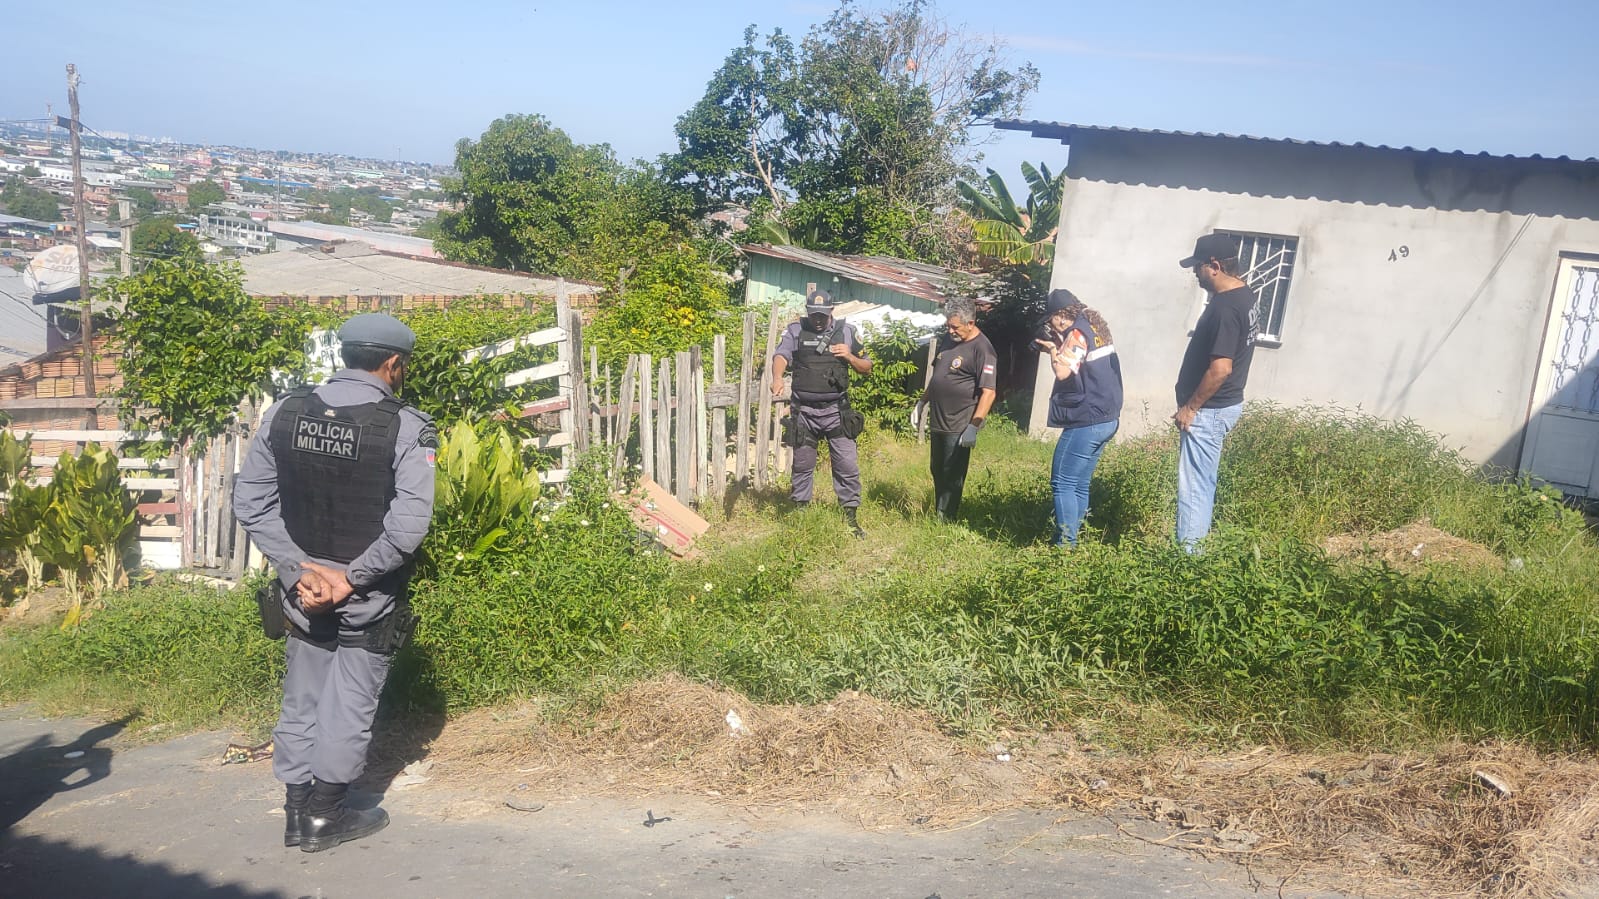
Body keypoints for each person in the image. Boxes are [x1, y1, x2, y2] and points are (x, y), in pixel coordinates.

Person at [234, 312, 437, 852]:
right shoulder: (408, 427)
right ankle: (327, 817)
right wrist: (350, 580)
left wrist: (298, 569)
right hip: (367, 592)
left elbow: (250, 501)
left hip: (301, 588)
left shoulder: (285, 411)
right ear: (393, 364)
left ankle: (296, 816)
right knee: (349, 700)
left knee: (302, 697)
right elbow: (408, 527)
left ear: (344, 355)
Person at [1173, 233, 1259, 551]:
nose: (1194, 273)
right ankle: (1198, 551)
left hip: (1208, 411)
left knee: (1193, 488)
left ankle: (1189, 563)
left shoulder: (1225, 309)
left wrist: (1191, 408)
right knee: (1203, 483)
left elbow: (1220, 369)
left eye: (1197, 267)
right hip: (1222, 406)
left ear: (1214, 266)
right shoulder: (1245, 296)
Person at [771, 290, 873, 538]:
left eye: (822, 315)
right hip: (804, 412)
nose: (817, 319)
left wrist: (848, 355)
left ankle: (850, 518)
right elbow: (781, 355)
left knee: (846, 465)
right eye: (813, 314)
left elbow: (867, 367)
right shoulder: (796, 330)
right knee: (802, 466)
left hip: (836, 412)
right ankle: (801, 515)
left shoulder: (847, 332)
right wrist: (777, 378)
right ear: (807, 312)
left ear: (831, 311)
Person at [1035, 288, 1123, 547]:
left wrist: (1053, 349)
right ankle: (1079, 538)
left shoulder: (1076, 334)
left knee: (1062, 481)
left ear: (1061, 316)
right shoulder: (1094, 326)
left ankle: (1065, 546)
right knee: (1079, 483)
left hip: (1088, 418)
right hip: (1107, 417)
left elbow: (1063, 373)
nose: (1051, 324)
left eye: (1051, 319)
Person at [912, 296, 996, 521]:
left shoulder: (983, 349)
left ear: (971, 323)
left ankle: (946, 519)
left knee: (952, 473)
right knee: (936, 469)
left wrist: (974, 426)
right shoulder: (949, 340)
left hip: (960, 422)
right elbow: (938, 377)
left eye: (955, 327)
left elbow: (989, 392)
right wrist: (922, 402)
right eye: (948, 325)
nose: (950, 330)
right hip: (939, 420)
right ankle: (941, 512)